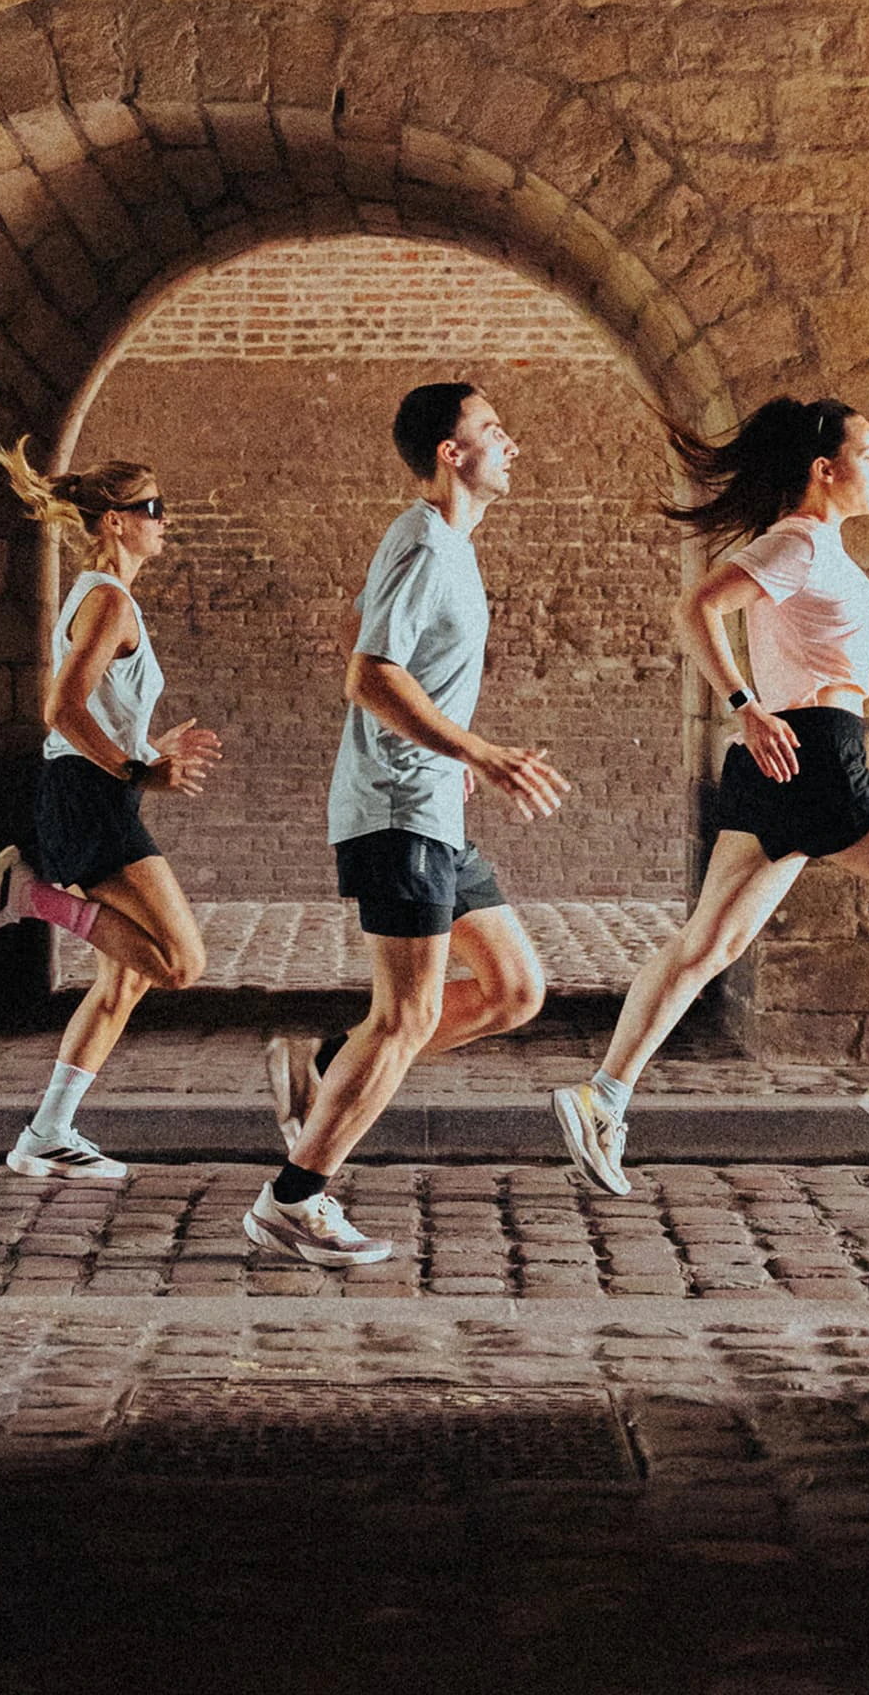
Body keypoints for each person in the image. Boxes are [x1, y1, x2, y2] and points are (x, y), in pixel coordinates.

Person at [550, 397, 869, 1196]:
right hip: (818, 759)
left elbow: (843, 667)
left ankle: (602, 1096)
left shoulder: (817, 551)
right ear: (825, 469)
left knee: (708, 946)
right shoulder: (798, 542)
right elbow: (697, 608)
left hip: (777, 765)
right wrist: (741, 704)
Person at [247, 383, 572, 1267]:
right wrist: (482, 754)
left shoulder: (452, 547)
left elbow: (409, 676)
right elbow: (371, 676)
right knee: (407, 1015)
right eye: (492, 430)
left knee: (512, 989)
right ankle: (293, 1198)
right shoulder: (425, 540)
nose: (511, 443)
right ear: (449, 452)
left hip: (430, 808)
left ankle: (322, 1062)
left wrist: (455, 761)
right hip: (397, 809)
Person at [0, 441, 222, 1179]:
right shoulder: (107, 599)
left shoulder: (106, 595)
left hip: (96, 790)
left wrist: (147, 749)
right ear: (114, 521)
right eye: (153, 509)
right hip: (87, 795)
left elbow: (95, 710)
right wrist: (136, 767)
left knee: (124, 979)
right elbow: (61, 708)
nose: (165, 521)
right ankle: (31, 896)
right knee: (178, 963)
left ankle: (47, 1132)